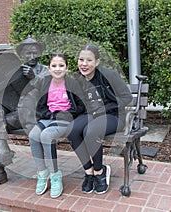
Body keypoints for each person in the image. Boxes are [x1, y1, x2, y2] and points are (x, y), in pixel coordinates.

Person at [0, 37, 48, 192]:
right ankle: (3, 153)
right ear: (22, 55)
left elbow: (51, 93)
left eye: (34, 53)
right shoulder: (14, 71)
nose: (31, 56)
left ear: (39, 53)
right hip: (12, 111)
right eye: (27, 53)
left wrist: (34, 78)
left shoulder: (45, 70)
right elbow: (1, 94)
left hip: (32, 113)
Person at [67, 45, 133, 194]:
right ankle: (88, 171)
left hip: (113, 115)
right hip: (91, 115)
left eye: (89, 60)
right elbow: (78, 105)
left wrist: (105, 109)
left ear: (97, 62)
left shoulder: (109, 75)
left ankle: (99, 171)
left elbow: (127, 97)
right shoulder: (77, 78)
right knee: (72, 130)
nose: (84, 64)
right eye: (81, 59)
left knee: (91, 132)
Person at [27, 53, 85, 198]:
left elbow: (81, 106)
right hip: (48, 118)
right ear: (49, 68)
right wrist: (48, 114)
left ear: (67, 67)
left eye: (61, 65)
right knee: (33, 136)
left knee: (46, 136)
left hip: (65, 119)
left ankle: (55, 175)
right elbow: (40, 105)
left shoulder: (72, 83)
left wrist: (65, 113)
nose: (57, 69)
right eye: (54, 66)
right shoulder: (45, 83)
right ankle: (42, 173)